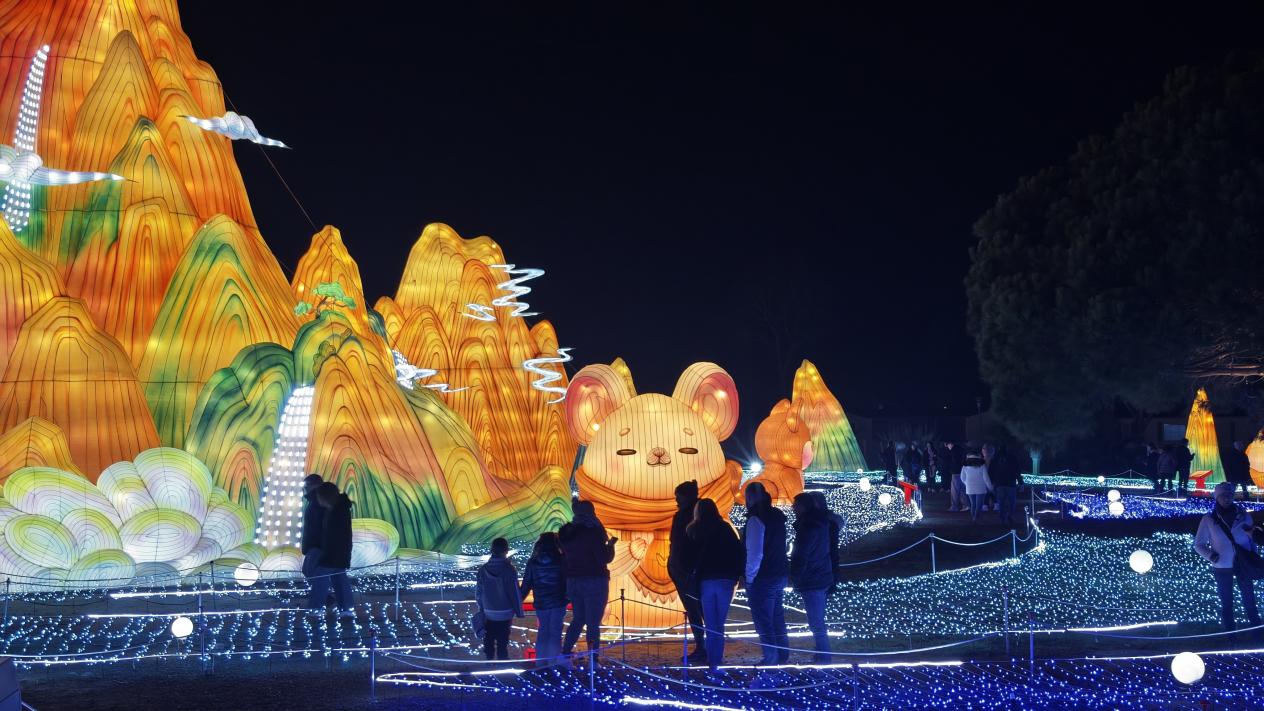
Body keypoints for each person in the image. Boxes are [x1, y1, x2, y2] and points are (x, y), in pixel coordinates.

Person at [686, 498, 745, 672]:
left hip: (706, 580)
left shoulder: (694, 530)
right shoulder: (725, 528)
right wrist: (737, 574)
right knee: (720, 622)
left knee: (710, 623)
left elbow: (689, 556)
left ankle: (712, 660)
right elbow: (737, 552)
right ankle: (716, 660)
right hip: (725, 579)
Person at [1194, 482, 1262, 631]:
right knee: (1226, 602)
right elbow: (1198, 544)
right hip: (1222, 566)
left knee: (1249, 599)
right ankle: (1230, 633)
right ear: (1217, 497)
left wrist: (1254, 556)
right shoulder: (1209, 519)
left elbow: (1252, 539)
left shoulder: (1244, 516)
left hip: (1244, 564)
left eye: (1230, 495)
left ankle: (1256, 630)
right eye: (1223, 495)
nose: (1227, 498)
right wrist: (1211, 556)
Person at [558, 499, 616, 665]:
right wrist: (610, 546)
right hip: (594, 579)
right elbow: (603, 558)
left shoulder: (567, 532)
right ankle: (593, 659)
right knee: (593, 623)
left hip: (573, 580)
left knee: (578, 619)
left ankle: (565, 653)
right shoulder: (593, 531)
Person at [742, 482, 789, 666]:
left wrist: (749, 577)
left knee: (764, 621)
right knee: (777, 618)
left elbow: (755, 553)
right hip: (779, 572)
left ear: (751, 497)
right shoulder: (777, 516)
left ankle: (771, 658)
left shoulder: (756, 519)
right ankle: (782, 654)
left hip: (763, 576)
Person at [790, 492, 834, 664]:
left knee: (816, 622)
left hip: (813, 578)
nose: (793, 508)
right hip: (820, 575)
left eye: (795, 505)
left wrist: (796, 575)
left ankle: (824, 658)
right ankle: (822, 654)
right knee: (817, 621)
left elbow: (802, 554)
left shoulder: (809, 526)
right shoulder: (818, 523)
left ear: (803, 507)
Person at [667, 480, 707, 663]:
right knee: (696, 610)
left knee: (697, 609)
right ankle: (704, 646)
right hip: (683, 568)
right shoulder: (688, 514)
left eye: (679, 497)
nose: (676, 501)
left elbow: (687, 543)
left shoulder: (693, 515)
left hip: (689, 569)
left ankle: (704, 647)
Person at [519, 532, 566, 667]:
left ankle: (540, 662)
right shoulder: (562, 560)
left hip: (541, 602)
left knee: (543, 631)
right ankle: (553, 662)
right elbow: (567, 581)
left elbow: (526, 584)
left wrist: (517, 602)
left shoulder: (533, 562)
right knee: (555, 632)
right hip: (558, 601)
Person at [307, 482, 354, 617]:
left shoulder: (336, 512)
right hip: (339, 553)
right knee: (339, 579)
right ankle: (346, 609)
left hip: (332, 553)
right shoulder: (338, 509)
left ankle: (316, 608)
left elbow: (335, 536)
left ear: (325, 496)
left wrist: (327, 553)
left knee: (320, 580)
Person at [476, 538, 523, 660]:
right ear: (506, 550)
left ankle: (489, 659)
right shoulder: (510, 570)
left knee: (489, 637)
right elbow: (514, 592)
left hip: (488, 611)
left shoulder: (483, 570)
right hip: (505, 612)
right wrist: (519, 611)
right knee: (503, 640)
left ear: (492, 550)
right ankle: (502, 659)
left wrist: (482, 608)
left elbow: (479, 593)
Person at [985, 444, 1021, 527]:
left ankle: (1003, 517)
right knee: (1011, 501)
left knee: (1001, 502)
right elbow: (1017, 470)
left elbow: (991, 471)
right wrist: (1020, 482)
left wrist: (992, 482)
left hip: (999, 483)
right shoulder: (1012, 458)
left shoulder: (995, 459)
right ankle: (1010, 515)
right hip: (1010, 483)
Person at [300, 474, 325, 580]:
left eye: (306, 486)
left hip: (316, 546)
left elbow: (313, 528)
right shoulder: (318, 501)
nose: (305, 489)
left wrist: (308, 547)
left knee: (312, 574)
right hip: (318, 546)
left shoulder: (316, 503)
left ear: (314, 485)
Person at [959, 451, 993, 522]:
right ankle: (976, 518)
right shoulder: (982, 465)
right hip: (981, 488)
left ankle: (973, 518)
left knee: (973, 504)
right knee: (979, 505)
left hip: (970, 488)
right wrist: (990, 487)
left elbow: (962, 477)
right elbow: (986, 478)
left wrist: (967, 483)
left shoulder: (965, 466)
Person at [944, 441, 968, 512]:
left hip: (955, 472)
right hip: (962, 471)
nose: (947, 447)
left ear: (949, 444)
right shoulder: (960, 449)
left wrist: (950, 468)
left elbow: (953, 461)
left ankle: (954, 506)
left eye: (947, 445)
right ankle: (965, 505)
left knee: (954, 490)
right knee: (962, 489)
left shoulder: (953, 451)